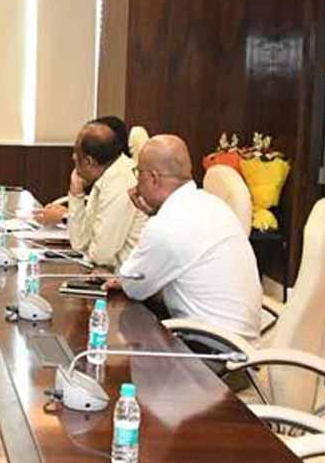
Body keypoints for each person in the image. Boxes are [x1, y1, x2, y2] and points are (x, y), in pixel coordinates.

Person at [105, 135, 262, 339]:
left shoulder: (167, 224)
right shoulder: (213, 204)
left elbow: (133, 287)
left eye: (138, 173)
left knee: (120, 338)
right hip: (238, 342)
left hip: (211, 348)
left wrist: (152, 219)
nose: (136, 183)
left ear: (153, 178)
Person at [39, 119, 146, 268]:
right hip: (104, 271)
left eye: (76, 155)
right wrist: (76, 194)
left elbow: (101, 255)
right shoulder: (106, 176)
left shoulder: (121, 181)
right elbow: (79, 243)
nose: (73, 158)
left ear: (89, 161)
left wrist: (88, 252)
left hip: (121, 277)